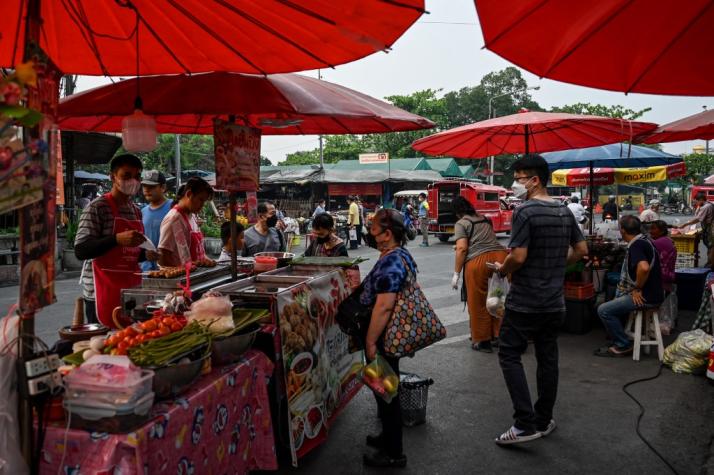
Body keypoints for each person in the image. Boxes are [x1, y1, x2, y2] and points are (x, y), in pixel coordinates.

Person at [491, 154, 587, 445]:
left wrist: (504, 269)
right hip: (554, 302)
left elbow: (517, 257)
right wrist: (557, 264)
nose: (515, 184)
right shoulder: (563, 210)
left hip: (525, 301)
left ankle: (524, 424)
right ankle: (543, 420)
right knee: (548, 359)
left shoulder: (525, 211)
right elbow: (581, 250)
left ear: (534, 180)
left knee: (509, 355)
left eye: (519, 178)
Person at [359, 208, 415, 468]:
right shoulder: (399, 254)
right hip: (391, 334)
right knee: (386, 388)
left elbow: (384, 306)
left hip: (384, 335)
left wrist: (370, 341)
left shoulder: (392, 261)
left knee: (388, 394)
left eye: (374, 232)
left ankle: (394, 453)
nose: (371, 236)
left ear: (388, 233)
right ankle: (387, 437)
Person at [75, 154, 148, 328]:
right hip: (101, 291)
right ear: (112, 176)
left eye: (137, 177)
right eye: (126, 176)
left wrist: (146, 254)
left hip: (130, 290)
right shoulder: (96, 208)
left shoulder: (136, 211)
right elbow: (81, 250)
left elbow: (130, 253)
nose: (133, 181)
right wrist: (116, 239)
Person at [596, 215, 664, 357]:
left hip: (647, 296)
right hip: (654, 292)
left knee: (604, 310)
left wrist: (638, 288)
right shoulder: (644, 240)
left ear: (622, 230)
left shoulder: (637, 245)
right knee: (613, 296)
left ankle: (623, 344)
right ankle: (618, 338)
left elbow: (644, 268)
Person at [450, 196, 507, 352]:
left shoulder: (461, 223)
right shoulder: (484, 219)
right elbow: (485, 239)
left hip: (479, 262)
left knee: (478, 302)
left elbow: (462, 248)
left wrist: (456, 273)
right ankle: (498, 335)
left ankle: (483, 341)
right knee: (497, 299)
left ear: (457, 212)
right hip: (500, 259)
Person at [158, 177, 214, 267]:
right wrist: (179, 271)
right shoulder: (174, 219)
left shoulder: (192, 216)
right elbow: (162, 256)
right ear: (189, 194)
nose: (202, 205)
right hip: (183, 278)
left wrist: (206, 260)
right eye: (201, 200)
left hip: (195, 276)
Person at [140, 170, 171, 271]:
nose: (147, 190)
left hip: (169, 269)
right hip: (146, 270)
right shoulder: (142, 212)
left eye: (152, 186)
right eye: (144, 186)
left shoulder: (173, 207)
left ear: (163, 188)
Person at [678, 192, 714, 267]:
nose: (696, 203)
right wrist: (696, 207)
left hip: (711, 230)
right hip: (707, 228)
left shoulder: (706, 207)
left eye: (696, 201)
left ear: (701, 199)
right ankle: (710, 264)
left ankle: (710, 265)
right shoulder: (705, 205)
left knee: (711, 247)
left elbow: (698, 219)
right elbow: (697, 215)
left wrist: (686, 224)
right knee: (710, 247)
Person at [649, 220, 676, 294]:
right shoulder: (668, 240)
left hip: (661, 278)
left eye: (653, 228)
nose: (650, 231)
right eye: (650, 228)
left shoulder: (658, 242)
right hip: (668, 276)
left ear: (661, 231)